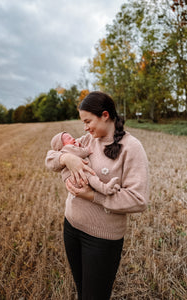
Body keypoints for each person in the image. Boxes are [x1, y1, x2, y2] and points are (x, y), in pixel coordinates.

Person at [45, 91, 149, 300]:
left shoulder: (131, 148)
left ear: (104, 115)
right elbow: (50, 158)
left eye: (87, 121)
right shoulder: (87, 141)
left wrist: (93, 196)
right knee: (82, 291)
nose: (85, 128)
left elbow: (139, 200)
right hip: (71, 228)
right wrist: (68, 158)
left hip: (101, 240)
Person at [50, 131, 120, 196]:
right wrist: (87, 150)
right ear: (61, 145)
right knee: (91, 178)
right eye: (69, 138)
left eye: (72, 137)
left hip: (74, 178)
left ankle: (110, 188)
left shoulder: (74, 146)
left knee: (92, 180)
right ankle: (105, 189)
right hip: (75, 176)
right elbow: (78, 152)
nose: (73, 139)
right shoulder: (67, 149)